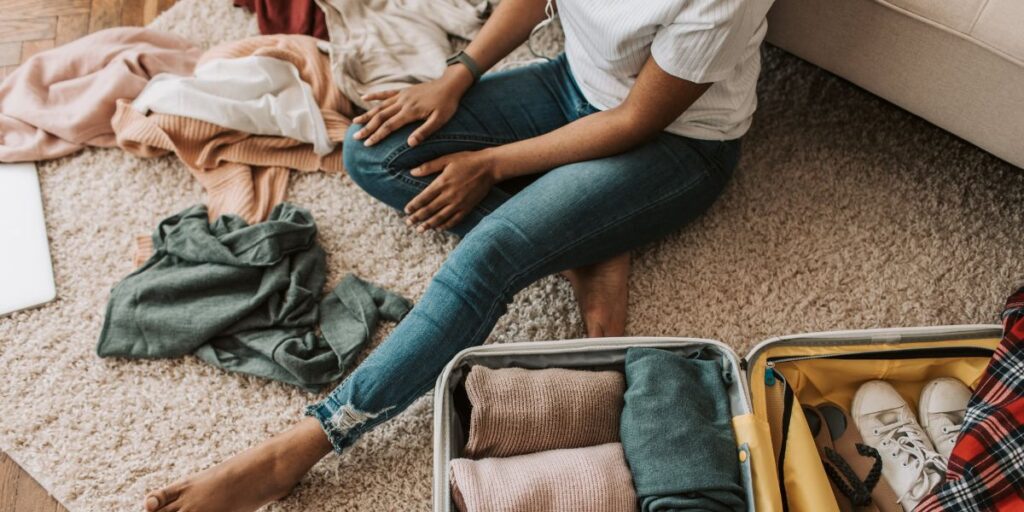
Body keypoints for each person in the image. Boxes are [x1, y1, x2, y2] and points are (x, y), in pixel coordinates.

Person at [143, 0, 772, 509]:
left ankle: (301, 446)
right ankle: (592, 240)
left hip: (672, 145)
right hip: (571, 87)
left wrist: (492, 162)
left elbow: (636, 119)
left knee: (491, 253)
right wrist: (456, 77)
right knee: (372, 149)